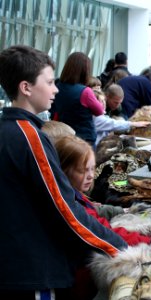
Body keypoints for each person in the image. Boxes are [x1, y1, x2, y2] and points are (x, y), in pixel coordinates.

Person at [0, 45, 127, 299]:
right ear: (26, 87)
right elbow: (65, 209)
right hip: (31, 272)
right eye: (49, 82)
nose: (56, 88)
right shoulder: (29, 137)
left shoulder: (9, 131)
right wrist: (121, 249)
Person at [54, 135, 151, 246]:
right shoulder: (72, 206)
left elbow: (95, 209)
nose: (91, 176)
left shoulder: (72, 195)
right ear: (63, 171)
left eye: (92, 169)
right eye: (83, 170)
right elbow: (106, 234)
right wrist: (148, 241)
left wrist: (122, 211)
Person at [50, 52, 104, 146]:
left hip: (64, 136)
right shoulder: (85, 91)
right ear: (85, 71)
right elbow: (99, 111)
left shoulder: (57, 87)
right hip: (84, 138)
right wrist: (100, 98)